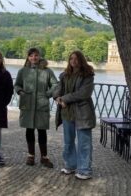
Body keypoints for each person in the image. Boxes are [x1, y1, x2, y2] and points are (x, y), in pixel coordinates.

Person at [54, 51, 96, 180]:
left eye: (76, 58)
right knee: (68, 141)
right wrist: (58, 98)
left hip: (83, 113)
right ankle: (70, 165)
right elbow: (57, 90)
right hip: (67, 113)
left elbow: (83, 93)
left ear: (81, 60)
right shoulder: (64, 75)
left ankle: (84, 170)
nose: (73, 61)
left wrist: (64, 99)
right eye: (71, 58)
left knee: (84, 143)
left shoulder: (88, 75)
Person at [14, 47, 58, 168]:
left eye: (36, 55)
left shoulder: (47, 71)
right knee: (29, 130)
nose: (34, 58)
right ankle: (31, 155)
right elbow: (17, 84)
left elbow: (55, 84)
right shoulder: (23, 71)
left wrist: (48, 94)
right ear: (28, 57)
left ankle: (44, 157)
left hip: (41, 104)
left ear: (39, 56)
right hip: (27, 103)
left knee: (42, 130)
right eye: (31, 55)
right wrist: (20, 91)